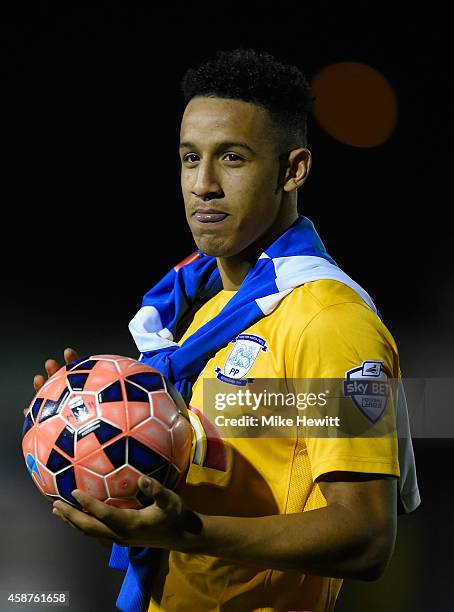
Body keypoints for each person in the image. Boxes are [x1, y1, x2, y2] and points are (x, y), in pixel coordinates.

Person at [35, 49, 420, 612]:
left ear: (294, 170)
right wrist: (87, 427)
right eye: (190, 158)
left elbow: (365, 539)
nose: (203, 184)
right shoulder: (190, 312)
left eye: (232, 159)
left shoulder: (329, 323)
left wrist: (188, 534)